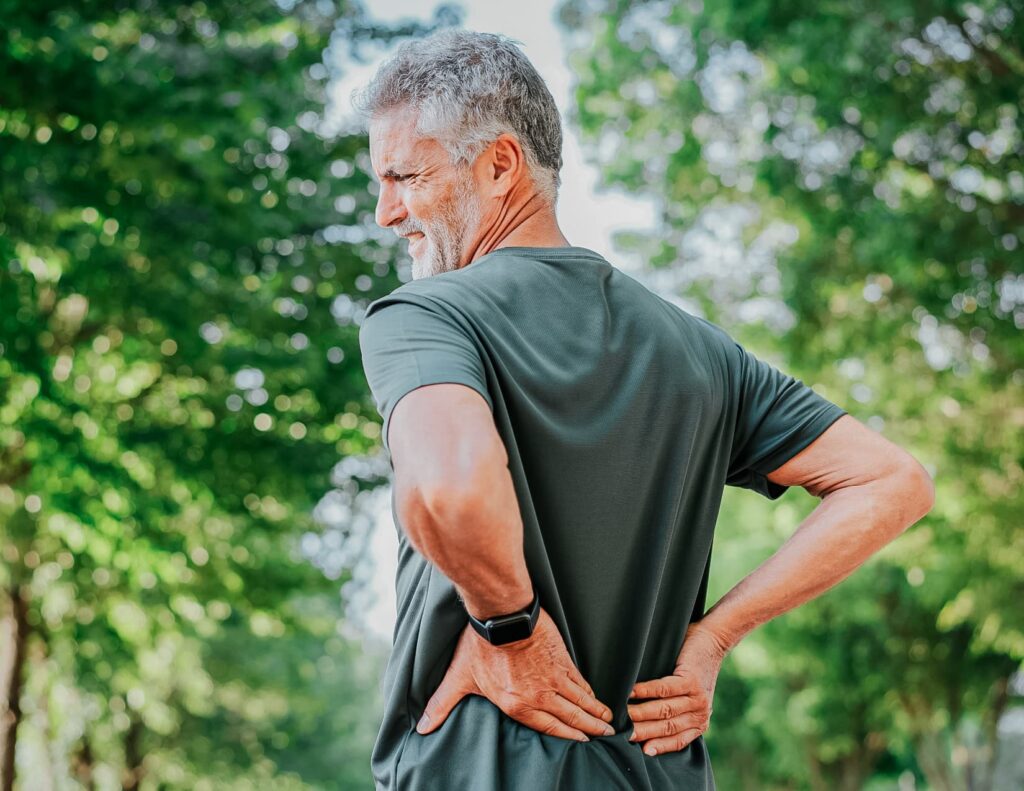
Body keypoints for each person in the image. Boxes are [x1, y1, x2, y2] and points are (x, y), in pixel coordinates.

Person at [352, 28, 935, 791]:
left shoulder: (426, 318)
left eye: (404, 176)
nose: (385, 211)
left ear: (500, 165)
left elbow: (447, 489)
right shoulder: (701, 352)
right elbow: (892, 481)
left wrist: (511, 629)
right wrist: (714, 637)